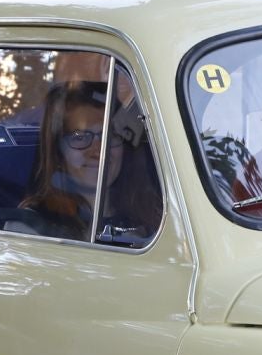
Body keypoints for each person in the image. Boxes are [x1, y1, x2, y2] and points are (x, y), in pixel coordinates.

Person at [9, 79, 163, 246]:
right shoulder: (30, 226)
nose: (99, 151)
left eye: (110, 136)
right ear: (58, 151)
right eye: (80, 137)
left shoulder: (156, 223)